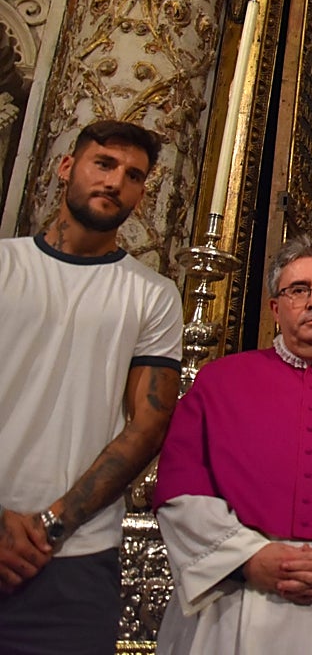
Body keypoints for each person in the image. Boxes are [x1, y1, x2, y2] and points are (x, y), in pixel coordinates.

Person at [153, 235, 312, 654]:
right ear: (275, 308)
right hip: (235, 599)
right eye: (298, 290)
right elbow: (181, 484)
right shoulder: (219, 382)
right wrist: (247, 559)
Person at [0, 120, 183, 653]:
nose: (115, 182)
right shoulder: (6, 266)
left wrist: (51, 526)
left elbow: (148, 426)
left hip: (74, 557)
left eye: (133, 175)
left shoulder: (152, 295)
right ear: (66, 167)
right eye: (103, 164)